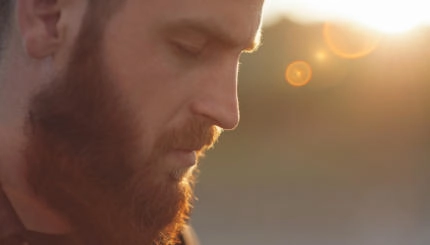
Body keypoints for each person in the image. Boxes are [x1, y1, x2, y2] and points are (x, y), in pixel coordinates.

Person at [0, 0, 264, 244]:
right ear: (48, 17)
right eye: (190, 47)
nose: (228, 113)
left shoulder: (154, 231)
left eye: (239, 59)